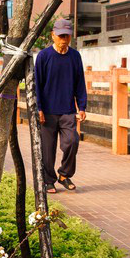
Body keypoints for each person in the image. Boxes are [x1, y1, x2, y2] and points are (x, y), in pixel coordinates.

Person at [35, 18, 87, 193]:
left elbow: (80, 83)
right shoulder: (44, 56)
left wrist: (82, 107)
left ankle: (64, 174)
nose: (64, 39)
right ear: (53, 35)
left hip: (67, 111)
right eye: (61, 36)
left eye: (67, 36)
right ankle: (48, 180)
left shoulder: (75, 56)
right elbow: (37, 85)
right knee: (47, 150)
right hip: (47, 112)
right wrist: (39, 108)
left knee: (72, 141)